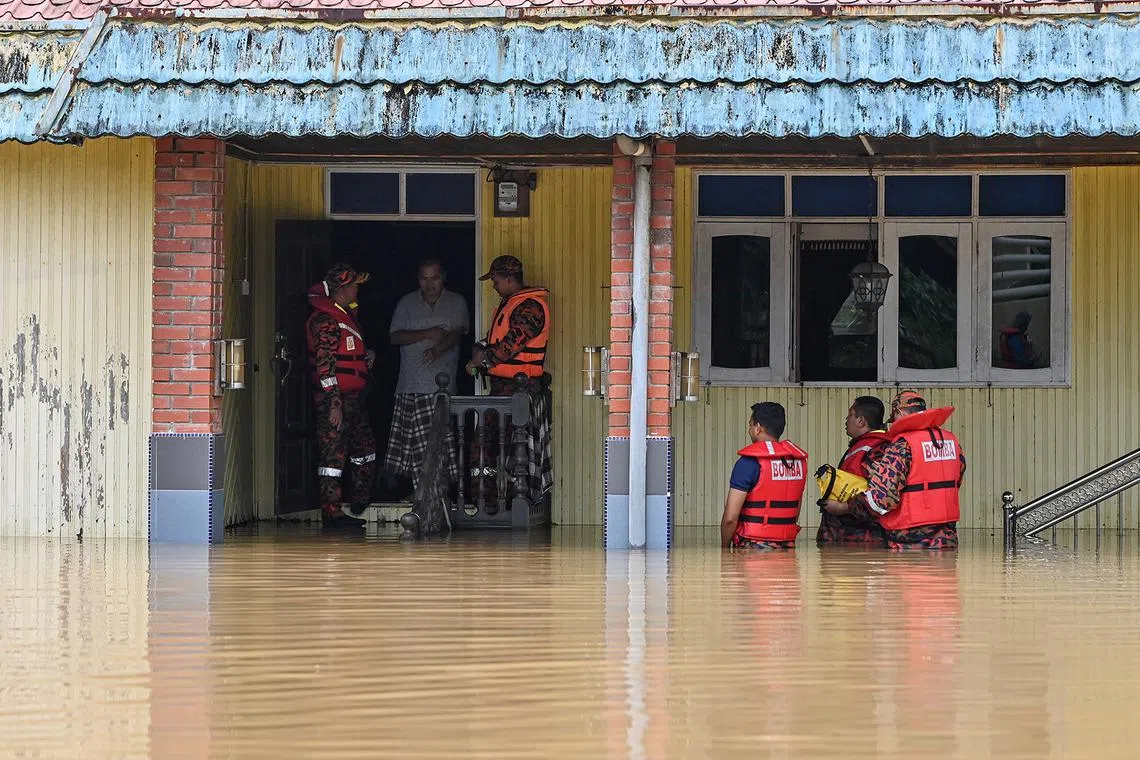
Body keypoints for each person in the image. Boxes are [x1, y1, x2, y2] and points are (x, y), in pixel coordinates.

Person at [822, 391, 966, 550]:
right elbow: (956, 480)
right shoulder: (951, 442)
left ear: (899, 412)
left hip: (910, 541)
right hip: (947, 538)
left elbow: (882, 499)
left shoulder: (902, 445)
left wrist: (843, 508)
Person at [385, 260, 468, 491]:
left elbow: (456, 335)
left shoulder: (456, 302)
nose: (430, 283)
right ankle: (417, 494)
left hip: (441, 388)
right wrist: (428, 334)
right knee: (413, 448)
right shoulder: (406, 303)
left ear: (444, 276)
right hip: (410, 386)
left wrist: (437, 349)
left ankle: (438, 494)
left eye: (435, 278)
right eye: (424, 278)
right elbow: (394, 337)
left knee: (439, 445)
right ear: (418, 279)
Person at [306, 262, 377, 528]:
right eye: (356, 285)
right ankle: (331, 512)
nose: (359, 289)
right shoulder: (325, 319)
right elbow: (325, 365)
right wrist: (334, 404)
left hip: (355, 398)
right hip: (335, 400)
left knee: (366, 449)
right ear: (343, 288)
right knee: (332, 457)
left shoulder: (344, 315)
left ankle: (359, 498)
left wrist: (365, 358)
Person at [720, 402, 809, 550]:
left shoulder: (748, 462)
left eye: (750, 425)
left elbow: (730, 518)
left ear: (758, 428)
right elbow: (795, 510)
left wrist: (724, 548)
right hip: (787, 548)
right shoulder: (797, 462)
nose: (749, 430)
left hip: (751, 548)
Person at [465, 255, 550, 395]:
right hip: (504, 388)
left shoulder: (530, 308)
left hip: (521, 389)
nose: (494, 286)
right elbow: (495, 339)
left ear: (509, 279)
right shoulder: (512, 304)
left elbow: (510, 346)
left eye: (496, 281)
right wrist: (480, 347)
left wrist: (480, 361)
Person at [816, 396, 891, 545]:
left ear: (861, 421)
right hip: (847, 540)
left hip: (861, 541)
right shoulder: (863, 445)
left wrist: (842, 508)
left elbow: (881, 495)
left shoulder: (877, 449)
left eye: (850, 414)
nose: (846, 419)